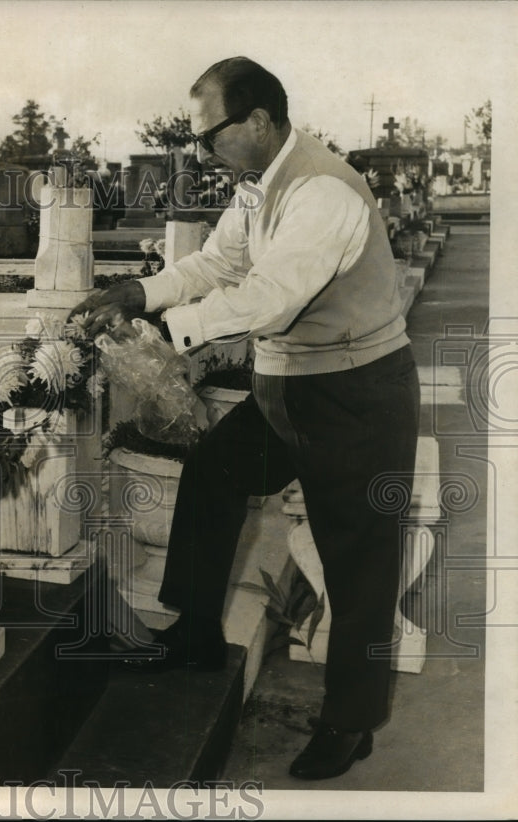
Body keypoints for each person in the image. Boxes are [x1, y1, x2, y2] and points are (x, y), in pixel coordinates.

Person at [71, 56, 420, 781]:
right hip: (285, 386)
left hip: (355, 395)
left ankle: (351, 723)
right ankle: (197, 635)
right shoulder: (259, 187)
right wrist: (141, 292)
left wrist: (171, 332)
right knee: (212, 474)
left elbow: (270, 298)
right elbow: (216, 264)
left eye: (210, 136)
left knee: (358, 563)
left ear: (259, 121)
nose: (202, 152)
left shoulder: (321, 191)